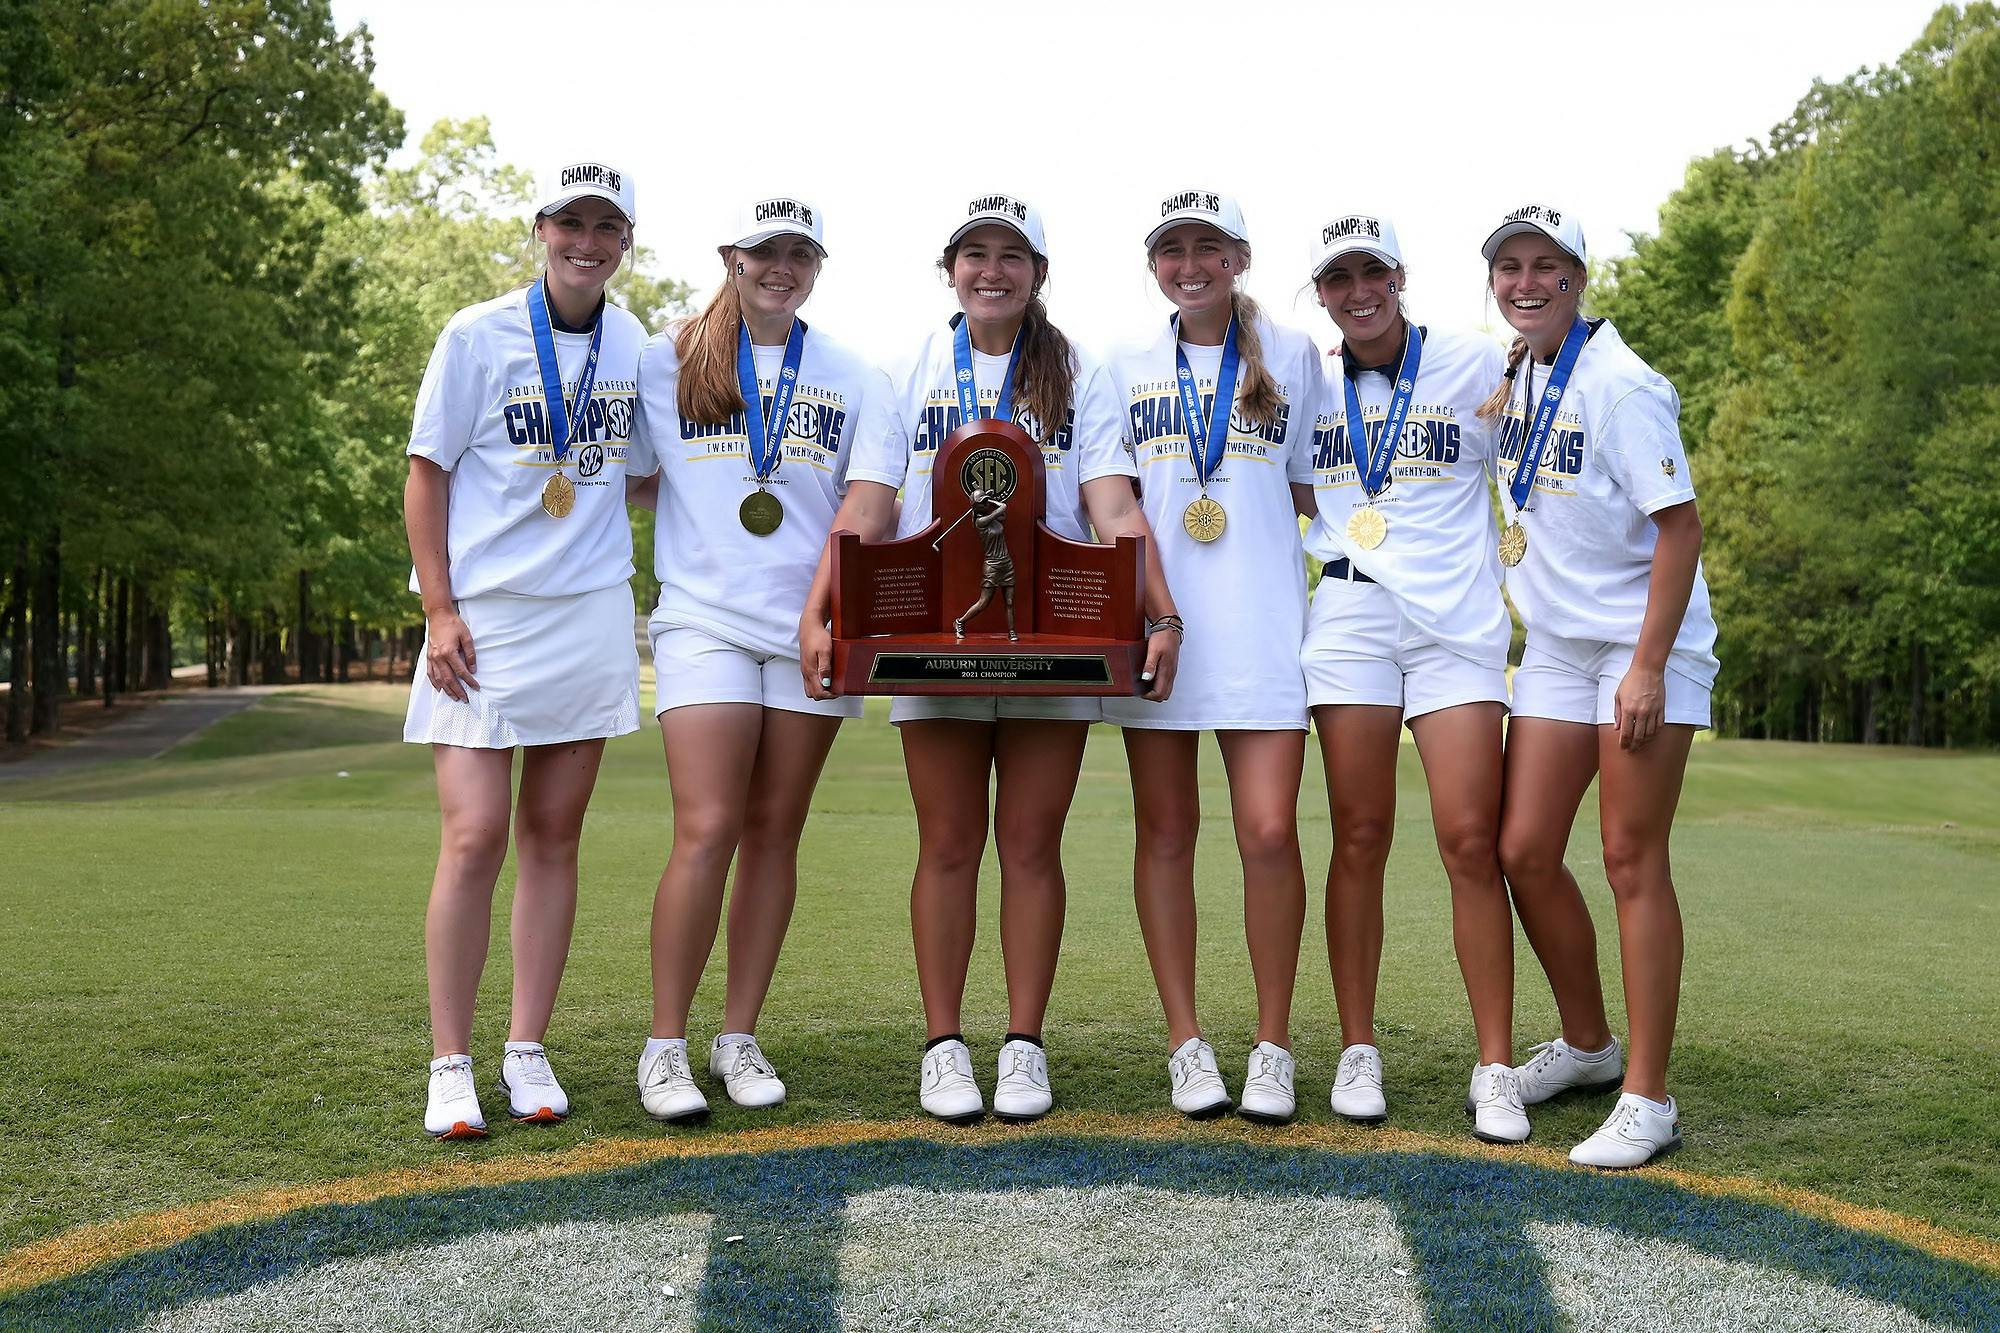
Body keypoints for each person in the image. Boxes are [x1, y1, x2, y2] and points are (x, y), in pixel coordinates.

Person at [799, 193, 1181, 1124]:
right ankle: (942, 1045)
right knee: (947, 844)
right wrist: (820, 607)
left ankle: (1021, 1044)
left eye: (1013, 255)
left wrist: (1162, 616)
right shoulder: (907, 368)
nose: (992, 270)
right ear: (950, 269)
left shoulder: (1076, 371)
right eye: (975, 253)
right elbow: (871, 503)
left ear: (1039, 274)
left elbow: (1112, 506)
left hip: (1052, 635)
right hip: (938, 637)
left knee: (1030, 846)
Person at [625, 198, 897, 1124]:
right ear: (730, 257)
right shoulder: (661, 361)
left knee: (775, 832)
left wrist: (827, 609)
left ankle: (737, 1034)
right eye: (764, 251)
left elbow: (868, 504)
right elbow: (621, 476)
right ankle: (665, 1044)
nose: (782, 266)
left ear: (816, 264)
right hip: (702, 620)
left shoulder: (855, 373)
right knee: (707, 825)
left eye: (799, 253)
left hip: (811, 627)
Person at [404, 160, 645, 1139]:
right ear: (540, 228)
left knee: (554, 836)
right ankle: (450, 1062)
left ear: (627, 241)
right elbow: (426, 473)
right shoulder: (476, 334)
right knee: (473, 837)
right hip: (485, 619)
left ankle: (525, 1047)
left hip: (585, 613)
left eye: (607, 226)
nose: (587, 242)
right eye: (570, 222)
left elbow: (640, 475)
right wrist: (438, 608)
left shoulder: (635, 344)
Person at [1479, 204, 1720, 1168]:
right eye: (1509, 268)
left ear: (1579, 278)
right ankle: (1588, 1043)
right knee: (1524, 848)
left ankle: (1648, 1096)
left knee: (1630, 857)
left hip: (1640, 646)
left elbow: (1681, 528)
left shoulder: (1620, 384)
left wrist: (1650, 665)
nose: (1525, 282)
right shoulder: (1520, 374)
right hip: (1558, 648)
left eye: (1545, 266)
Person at [1297, 213, 1523, 1142]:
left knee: (1472, 839)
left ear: (1399, 276)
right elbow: (1294, 488)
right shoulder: (1303, 382)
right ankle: (1358, 1047)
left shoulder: (1476, 364)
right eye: (1338, 279)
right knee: (1360, 832)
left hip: (1456, 628)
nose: (1358, 292)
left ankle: (1497, 1063)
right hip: (1350, 617)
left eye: (1372, 273)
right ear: (1321, 293)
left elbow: (1539, 424)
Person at [1103, 191, 1324, 1124]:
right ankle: (1185, 1042)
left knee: (1269, 831)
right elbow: (1109, 500)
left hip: (1267, 626)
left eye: (1207, 248)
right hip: (1158, 630)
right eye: (1170, 250)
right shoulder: (1121, 364)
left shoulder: (1295, 354)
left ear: (1238, 257)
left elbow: (1315, 487)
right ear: (1155, 263)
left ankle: (1272, 1043)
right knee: (1167, 834)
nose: (1188, 264)